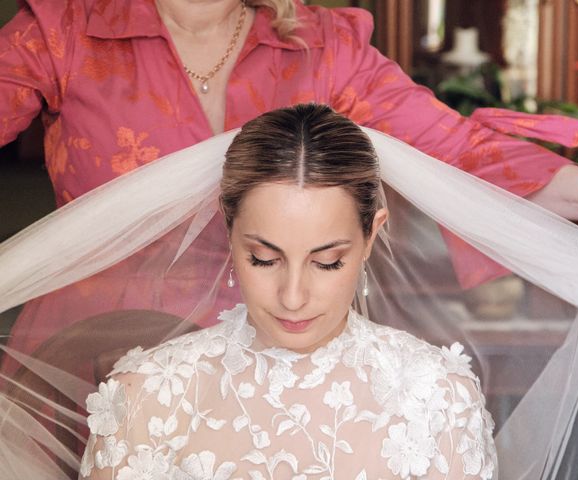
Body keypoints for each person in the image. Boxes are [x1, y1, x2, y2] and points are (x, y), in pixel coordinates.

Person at [2, 0, 578, 376]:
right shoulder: (62, 31)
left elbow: (459, 149)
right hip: (93, 356)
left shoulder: (322, 45)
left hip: (280, 356)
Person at [79, 103, 497, 480]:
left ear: (372, 234)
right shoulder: (144, 397)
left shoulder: (440, 399)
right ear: (229, 228)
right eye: (264, 258)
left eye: (327, 261)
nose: (293, 297)